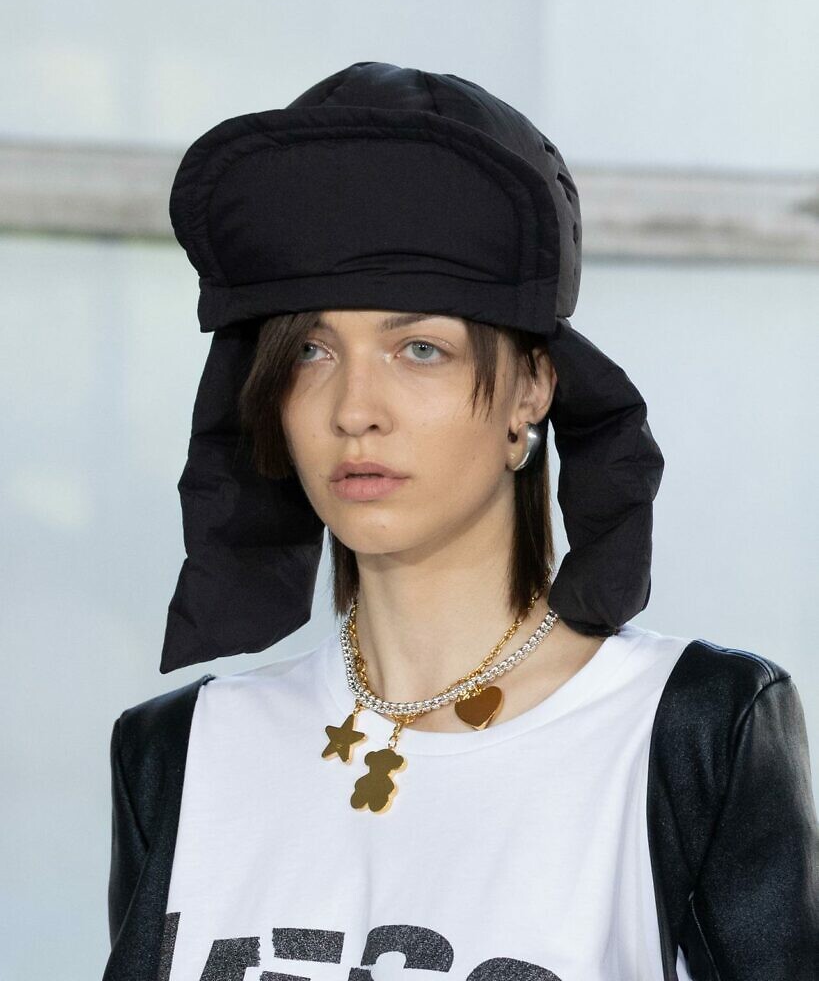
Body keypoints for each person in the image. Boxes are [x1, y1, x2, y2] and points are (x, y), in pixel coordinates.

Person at [102, 63, 819, 981]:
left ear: (530, 390)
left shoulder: (682, 730)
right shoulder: (182, 749)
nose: (354, 409)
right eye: (312, 350)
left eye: (419, 348)